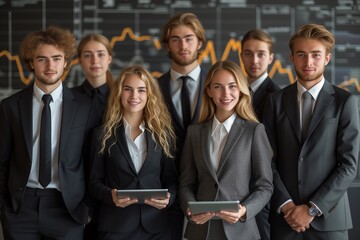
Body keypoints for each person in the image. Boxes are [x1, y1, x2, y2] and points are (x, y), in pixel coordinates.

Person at [263, 23, 359, 240]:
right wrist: (286, 205)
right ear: (292, 57)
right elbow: (267, 160)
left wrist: (312, 209)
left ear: (327, 58)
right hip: (285, 221)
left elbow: (349, 165)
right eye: (301, 54)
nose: (308, 62)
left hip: (329, 221)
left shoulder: (345, 102)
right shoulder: (275, 102)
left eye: (316, 55)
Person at [0, 26, 93, 239]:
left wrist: (86, 207)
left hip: (67, 208)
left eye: (57, 58)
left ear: (66, 62)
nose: (50, 66)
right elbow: (2, 162)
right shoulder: (10, 107)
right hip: (21, 208)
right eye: (42, 59)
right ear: (31, 63)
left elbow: (92, 161)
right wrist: (4, 207)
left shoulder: (85, 107)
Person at [179, 60, 273, 240]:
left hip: (240, 231)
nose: (226, 93)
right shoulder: (194, 133)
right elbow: (186, 183)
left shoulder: (254, 131)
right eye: (218, 87)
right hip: (201, 230)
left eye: (232, 86)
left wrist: (245, 210)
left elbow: (265, 186)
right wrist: (190, 209)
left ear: (240, 90)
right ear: (209, 91)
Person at [88, 65, 178, 240]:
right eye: (128, 89)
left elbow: (172, 180)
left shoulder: (164, 135)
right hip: (116, 227)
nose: (134, 96)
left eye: (141, 90)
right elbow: (93, 182)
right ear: (119, 93)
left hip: (156, 227)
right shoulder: (102, 135)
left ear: (149, 95)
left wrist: (170, 198)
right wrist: (110, 196)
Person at [157, 12, 207, 239]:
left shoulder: (220, 85)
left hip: (209, 185)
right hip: (164, 189)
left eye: (188, 38)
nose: (183, 45)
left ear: (199, 42)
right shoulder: (152, 88)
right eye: (175, 39)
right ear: (167, 46)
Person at [240, 29, 280, 240]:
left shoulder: (279, 97)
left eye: (261, 54)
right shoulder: (233, 93)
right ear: (241, 56)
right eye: (248, 53)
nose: (254, 60)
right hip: (235, 185)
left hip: (263, 187)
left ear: (271, 57)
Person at [74, 33, 114, 240]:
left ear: (109, 58)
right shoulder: (68, 98)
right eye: (87, 55)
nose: (95, 61)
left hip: (113, 189)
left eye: (100, 54)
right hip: (78, 190)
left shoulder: (124, 97)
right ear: (79, 60)